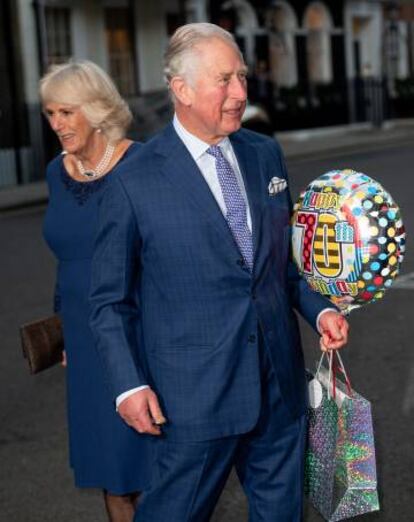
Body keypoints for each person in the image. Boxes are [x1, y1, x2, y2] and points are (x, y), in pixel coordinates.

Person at [90, 23, 349, 522]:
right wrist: (128, 386)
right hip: (191, 401)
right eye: (224, 80)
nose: (240, 93)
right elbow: (108, 301)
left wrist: (320, 312)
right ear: (181, 89)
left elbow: (284, 265)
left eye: (242, 77)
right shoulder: (133, 181)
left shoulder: (264, 153)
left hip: (278, 389)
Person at [41, 60, 150, 522]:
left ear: (97, 109)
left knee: (154, 466)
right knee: (111, 469)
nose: (57, 124)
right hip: (84, 338)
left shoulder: (142, 164)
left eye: (67, 112)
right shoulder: (54, 173)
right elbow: (66, 256)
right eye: (50, 113)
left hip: (137, 328)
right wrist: (62, 324)